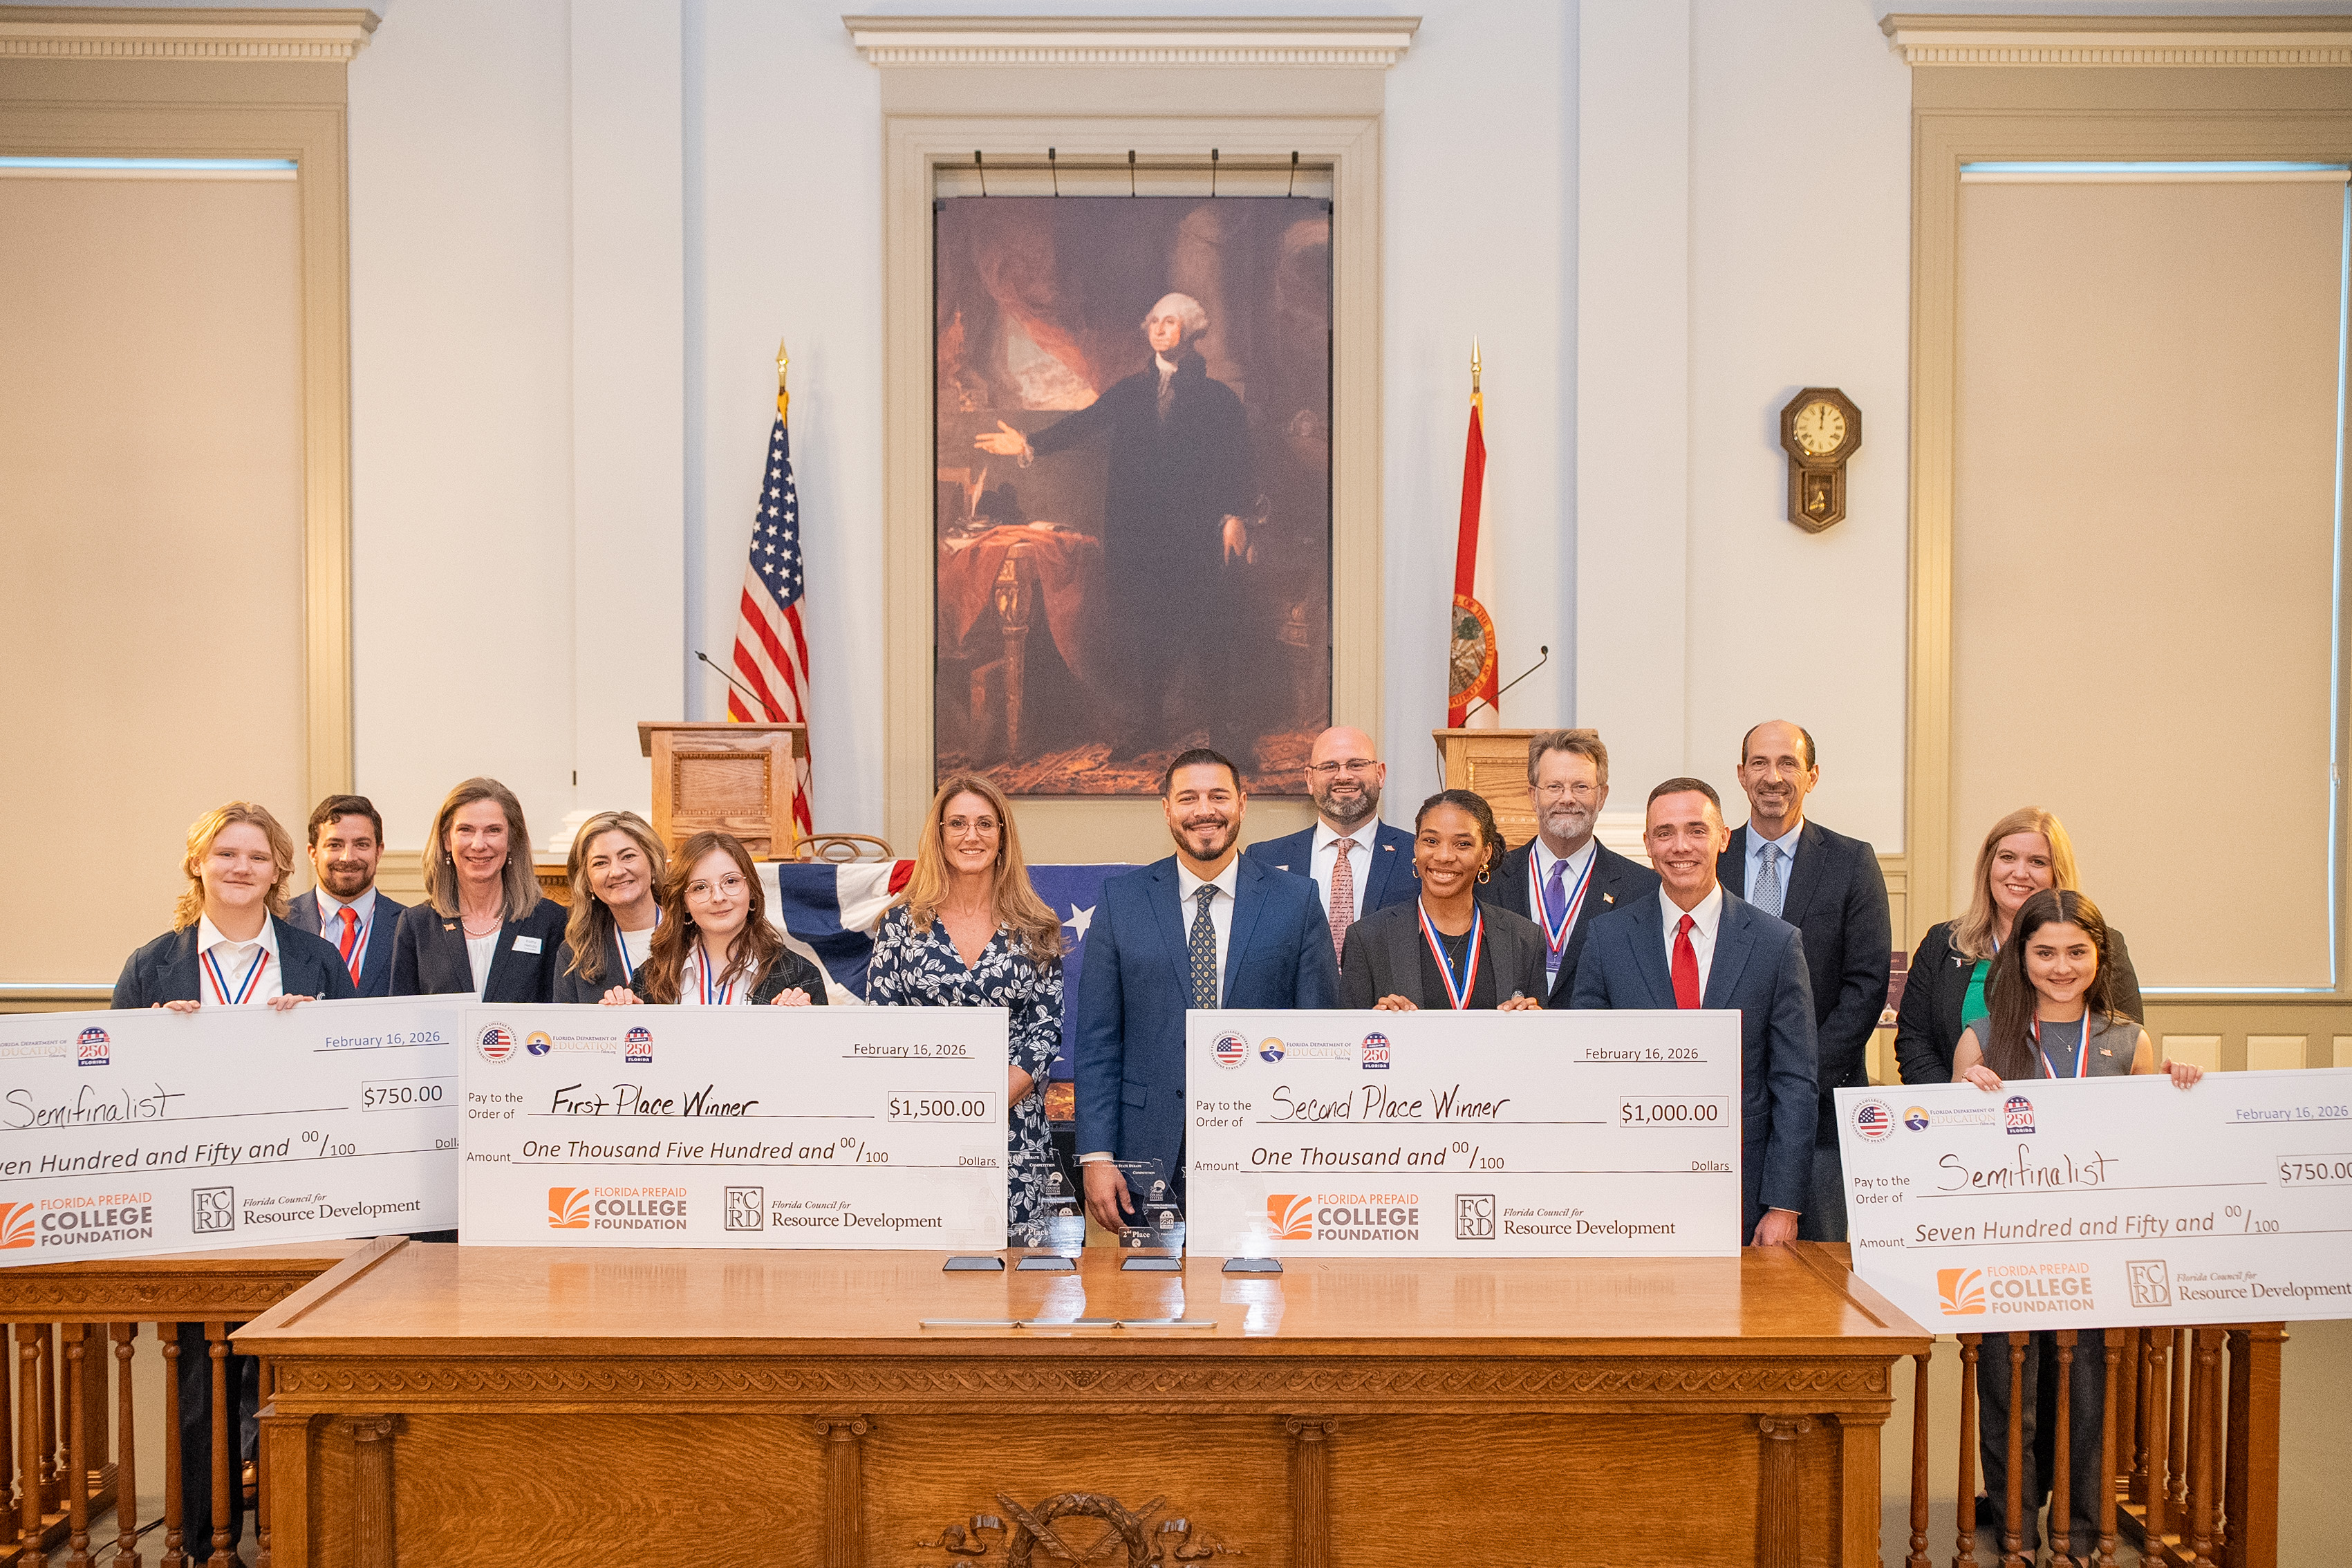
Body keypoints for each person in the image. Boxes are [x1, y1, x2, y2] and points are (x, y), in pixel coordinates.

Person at [111, 801, 356, 1560]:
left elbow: (357, 1074)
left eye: (257, 856)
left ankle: (294, 1533)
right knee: (200, 1373)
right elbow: (109, 1088)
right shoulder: (152, 964)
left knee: (292, 1372)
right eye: (226, 855)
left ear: (280, 869)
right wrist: (157, 1039)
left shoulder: (317, 961)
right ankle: (197, 1538)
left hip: (299, 1196)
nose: (241, 868)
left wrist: (319, 1031)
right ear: (198, 864)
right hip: (192, 1200)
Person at [1952, 888, 2200, 1560]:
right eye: (2044, 952)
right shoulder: (1983, 1041)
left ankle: (2086, 1529)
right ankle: (2014, 1528)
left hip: (2098, 1254)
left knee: (2092, 1397)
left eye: (2076, 952)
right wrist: (1962, 1097)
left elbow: (2152, 1143)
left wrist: (2177, 1087)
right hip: (2009, 1250)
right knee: (2011, 1396)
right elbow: (1953, 1157)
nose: (2061, 967)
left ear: (2100, 955)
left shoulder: (2129, 1040)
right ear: (2020, 957)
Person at [973, 292, 1255, 760]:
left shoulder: (1218, 399)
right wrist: (1028, 443)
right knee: (1145, 630)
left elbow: (1237, 462)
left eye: (1172, 322)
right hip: (1138, 535)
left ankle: (1224, 728)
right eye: (1155, 322)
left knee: (1209, 628)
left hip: (1197, 535)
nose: (1161, 329)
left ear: (1191, 331)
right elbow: (1084, 423)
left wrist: (1234, 516)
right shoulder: (1129, 392)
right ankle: (1150, 725)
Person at [1074, 747, 1341, 1232]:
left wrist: (1311, 1153)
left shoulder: (1295, 901)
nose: (1204, 811)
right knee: (1147, 1303)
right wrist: (1096, 1155)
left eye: (1218, 796)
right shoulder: (1122, 900)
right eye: (1188, 798)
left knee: (1259, 1302)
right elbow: (1097, 1042)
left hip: (1266, 1150)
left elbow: (1318, 1036)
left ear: (1242, 803)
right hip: (1146, 1157)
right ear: (1167, 809)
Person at [1571, 778, 1818, 1245]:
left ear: (1724, 837)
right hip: (1630, 1190)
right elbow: (1588, 1075)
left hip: (1741, 1194)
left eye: (1696, 830)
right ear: (1647, 844)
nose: (1680, 846)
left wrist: (1784, 1204)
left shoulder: (1776, 943)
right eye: (1664, 833)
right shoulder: (1608, 939)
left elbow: (1795, 1082)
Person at [866, 776, 1066, 1242]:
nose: (970, 836)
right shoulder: (899, 925)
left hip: (1013, 1133)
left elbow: (1045, 1031)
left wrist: (985, 1105)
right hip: (920, 1131)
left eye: (983, 824)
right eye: (956, 824)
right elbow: (882, 1027)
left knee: (1016, 1287)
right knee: (922, 1277)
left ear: (1002, 838)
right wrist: (941, 1109)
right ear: (938, 835)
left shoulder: (1036, 928)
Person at [1715, 721, 1889, 1243]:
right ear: (1742, 775)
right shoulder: (1709, 858)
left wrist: (1801, 1069)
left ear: (1812, 776)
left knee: (1817, 1276)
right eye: (1761, 764)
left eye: (1788, 763)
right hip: (1723, 1103)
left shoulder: (1852, 862)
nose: (1774, 777)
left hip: (1820, 1111)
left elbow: (1867, 985)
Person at [1894, 807, 2145, 1086]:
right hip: (1971, 1114)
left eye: (2038, 862)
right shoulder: (1944, 943)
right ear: (1989, 865)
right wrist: (1956, 1104)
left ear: (2057, 873)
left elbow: (2123, 1039)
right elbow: (1914, 1043)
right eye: (2007, 858)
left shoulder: (2100, 945)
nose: (2020, 872)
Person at [1481, 728, 1659, 1006]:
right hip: (1509, 1041)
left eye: (1581, 787)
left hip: (1597, 1046)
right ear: (1533, 795)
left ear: (1602, 796)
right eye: (1554, 787)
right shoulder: (1489, 881)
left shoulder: (1642, 888)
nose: (1567, 798)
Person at [1340, 790, 1547, 1011]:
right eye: (1431, 841)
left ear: (1485, 854)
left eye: (1463, 844)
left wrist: (1532, 1022)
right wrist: (1375, 1025)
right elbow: (1352, 1038)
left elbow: (1541, 1041)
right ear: (1416, 847)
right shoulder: (1367, 939)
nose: (1444, 856)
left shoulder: (1526, 940)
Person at [1244, 724, 1419, 964]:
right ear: (1310, 779)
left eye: (1356, 764)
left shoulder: (1418, 855)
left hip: (1387, 1001)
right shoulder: (1264, 859)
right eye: (1330, 766)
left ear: (1380, 774)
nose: (1344, 776)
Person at [389, 777, 568, 1002]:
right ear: (447, 840)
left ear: (512, 840)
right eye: (466, 830)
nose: (479, 844)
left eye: (493, 830)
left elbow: (561, 1018)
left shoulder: (551, 921)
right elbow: (404, 1021)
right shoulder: (417, 924)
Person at [604, 831, 827, 1006]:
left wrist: (800, 1026)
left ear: (751, 892)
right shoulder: (652, 976)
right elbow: (635, 1059)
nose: (718, 897)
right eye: (700, 887)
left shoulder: (799, 976)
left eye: (731, 882)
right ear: (684, 904)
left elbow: (820, 1058)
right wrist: (621, 1017)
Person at [284, 794, 405, 998]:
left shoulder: (409, 926)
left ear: (379, 851)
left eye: (362, 844)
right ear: (313, 853)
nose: (348, 857)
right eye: (335, 845)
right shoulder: (280, 921)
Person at [552, 810, 669, 1004]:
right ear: (587, 882)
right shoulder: (575, 955)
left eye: (628, 856)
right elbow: (564, 1032)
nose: (616, 871)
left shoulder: (691, 935)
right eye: (600, 863)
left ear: (653, 863)